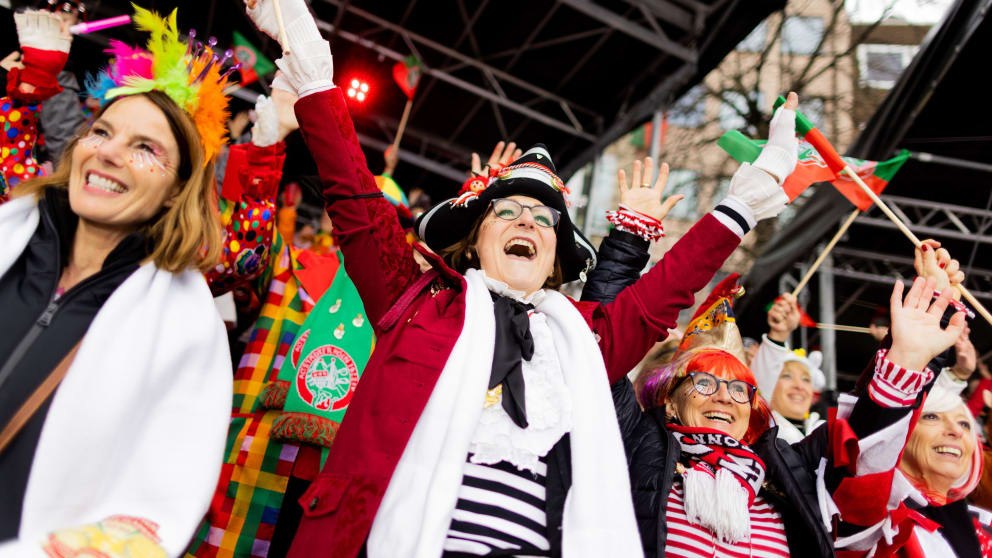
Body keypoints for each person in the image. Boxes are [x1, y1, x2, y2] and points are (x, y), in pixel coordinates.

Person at [242, 1, 797, 555]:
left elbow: (660, 298)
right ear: (475, 241)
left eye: (544, 218)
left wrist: (743, 204)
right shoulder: (412, 299)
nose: (526, 219)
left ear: (555, 256)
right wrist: (315, 72)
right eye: (505, 212)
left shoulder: (583, 340)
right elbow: (358, 202)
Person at [0, 8, 232, 555]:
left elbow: (149, 518)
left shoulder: (187, 330)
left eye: (146, 148)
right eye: (101, 130)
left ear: (179, 190)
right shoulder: (5, 239)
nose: (107, 151)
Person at [619, 265, 965, 557]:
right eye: (705, 383)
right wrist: (629, 244)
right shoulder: (632, 445)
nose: (724, 397)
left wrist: (909, 356)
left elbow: (859, 444)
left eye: (739, 388)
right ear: (672, 400)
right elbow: (604, 352)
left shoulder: (784, 469)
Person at [830, 241, 987, 558]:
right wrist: (921, 341)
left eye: (964, 423)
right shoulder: (866, 524)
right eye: (931, 417)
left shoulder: (983, 526)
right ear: (901, 433)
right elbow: (865, 442)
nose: (956, 431)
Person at [751, 292, 827, 442]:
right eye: (787, 376)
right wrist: (779, 333)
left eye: (806, 379)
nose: (799, 386)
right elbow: (764, 375)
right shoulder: (761, 429)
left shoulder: (825, 432)